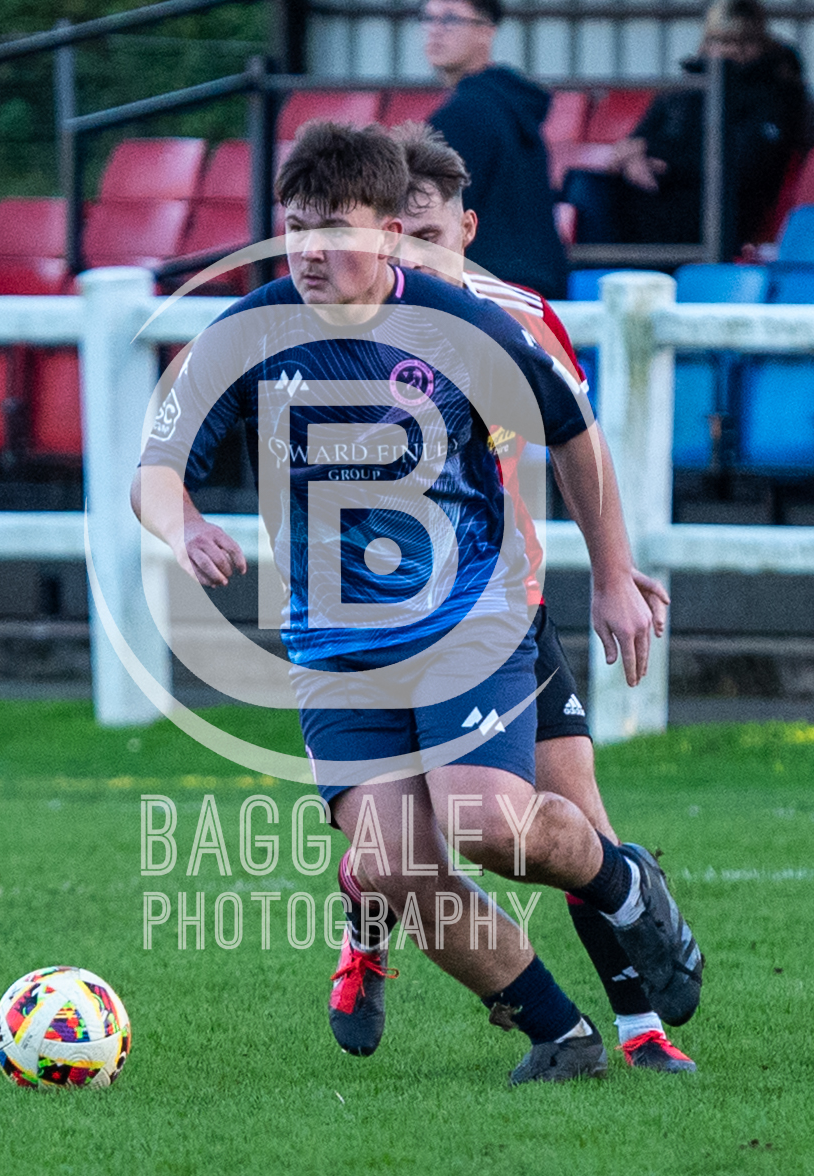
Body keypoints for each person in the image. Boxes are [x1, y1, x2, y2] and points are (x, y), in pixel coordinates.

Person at [132, 122, 702, 1085]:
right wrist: (181, 521)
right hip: (335, 646)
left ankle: (621, 880)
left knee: (490, 824)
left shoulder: (466, 325)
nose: (308, 249)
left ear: (392, 234)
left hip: (467, 621)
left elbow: (573, 434)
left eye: (334, 229)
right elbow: (153, 467)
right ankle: (559, 1038)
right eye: (294, 226)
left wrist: (610, 574)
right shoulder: (244, 333)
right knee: (389, 864)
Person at [330, 121, 696, 1074]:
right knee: (397, 844)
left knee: (564, 820)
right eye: (392, 237)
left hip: (495, 610)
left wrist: (611, 575)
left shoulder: (511, 316)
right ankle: (372, 924)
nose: (412, 255)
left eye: (430, 235)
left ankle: (637, 1033)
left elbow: (579, 438)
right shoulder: (332, 317)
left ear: (467, 227)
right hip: (363, 627)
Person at [564, 0, 808, 258]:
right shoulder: (688, 87)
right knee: (584, 185)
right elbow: (638, 140)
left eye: (736, 42)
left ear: (756, 44)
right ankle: (596, 282)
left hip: (715, 209)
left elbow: (743, 166)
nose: (726, 50)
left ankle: (612, 276)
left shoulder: (774, 94)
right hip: (659, 193)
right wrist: (635, 158)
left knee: (598, 196)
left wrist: (665, 162)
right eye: (717, 40)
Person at [422, 0, 569, 299]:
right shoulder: (513, 105)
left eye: (450, 20)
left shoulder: (463, 115)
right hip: (536, 282)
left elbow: (433, 215)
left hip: (486, 289)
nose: (436, 31)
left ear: (486, 31)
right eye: (429, 18)